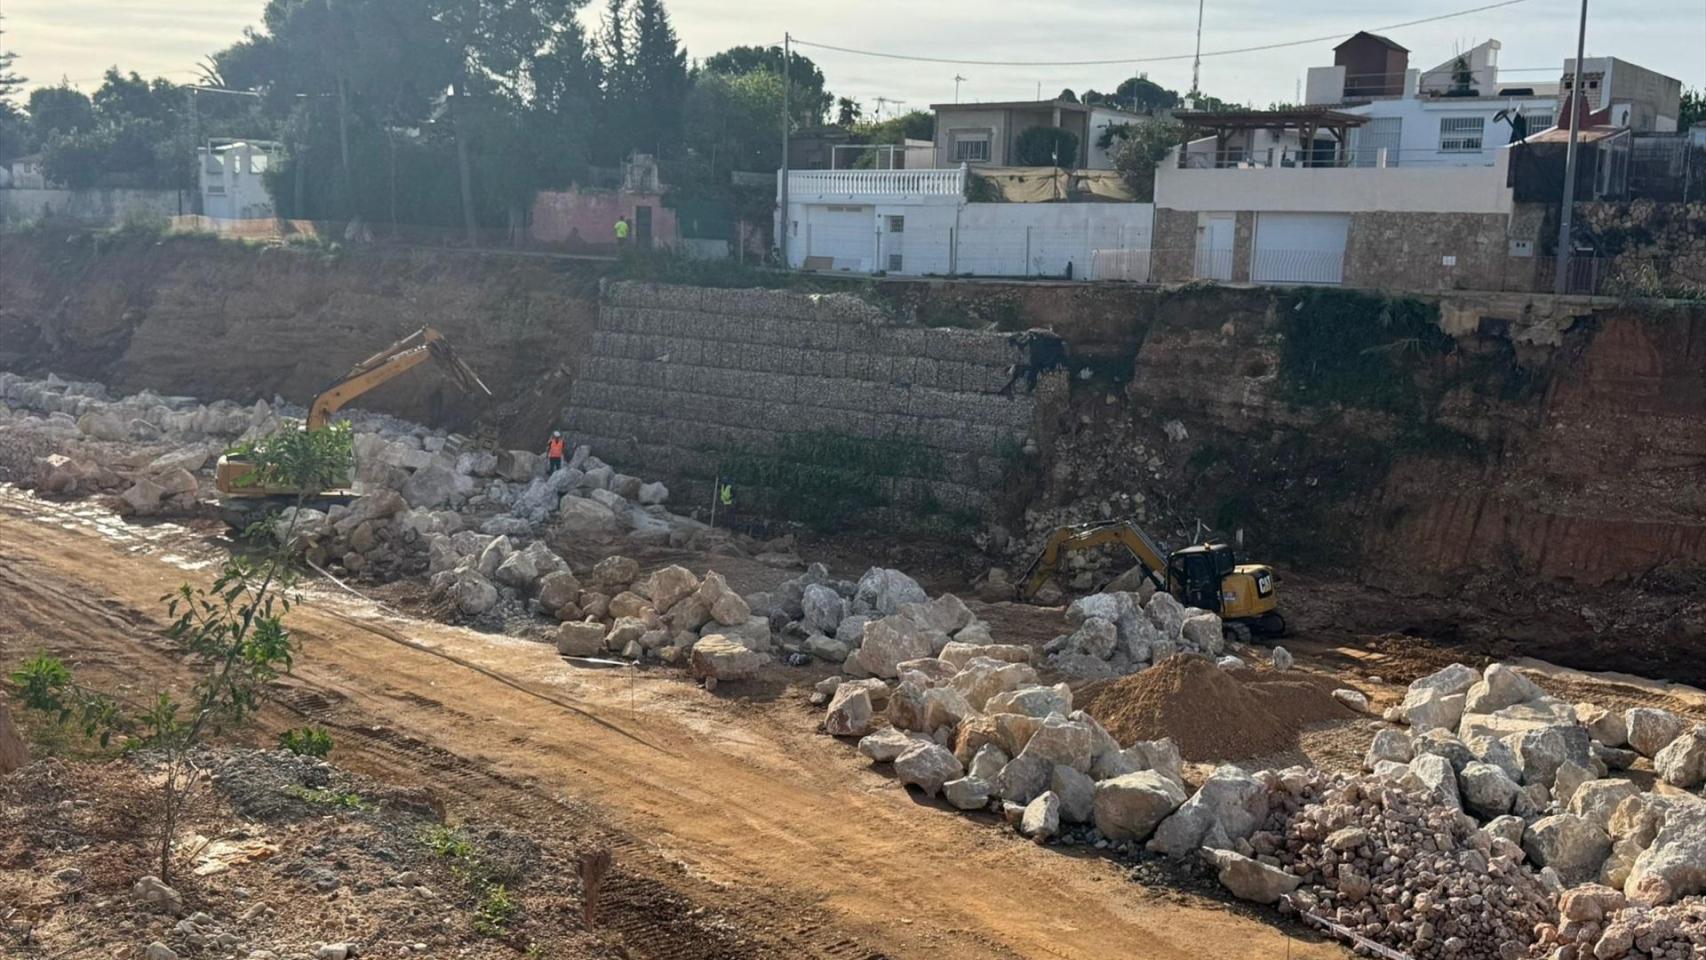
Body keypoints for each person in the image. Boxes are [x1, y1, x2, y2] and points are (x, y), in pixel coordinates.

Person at [996, 329, 1066, 396]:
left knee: (1033, 371)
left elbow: (1024, 344)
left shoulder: (1033, 336)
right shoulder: (1038, 337)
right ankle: (1025, 386)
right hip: (1044, 352)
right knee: (1033, 370)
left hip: (1043, 352)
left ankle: (1026, 386)